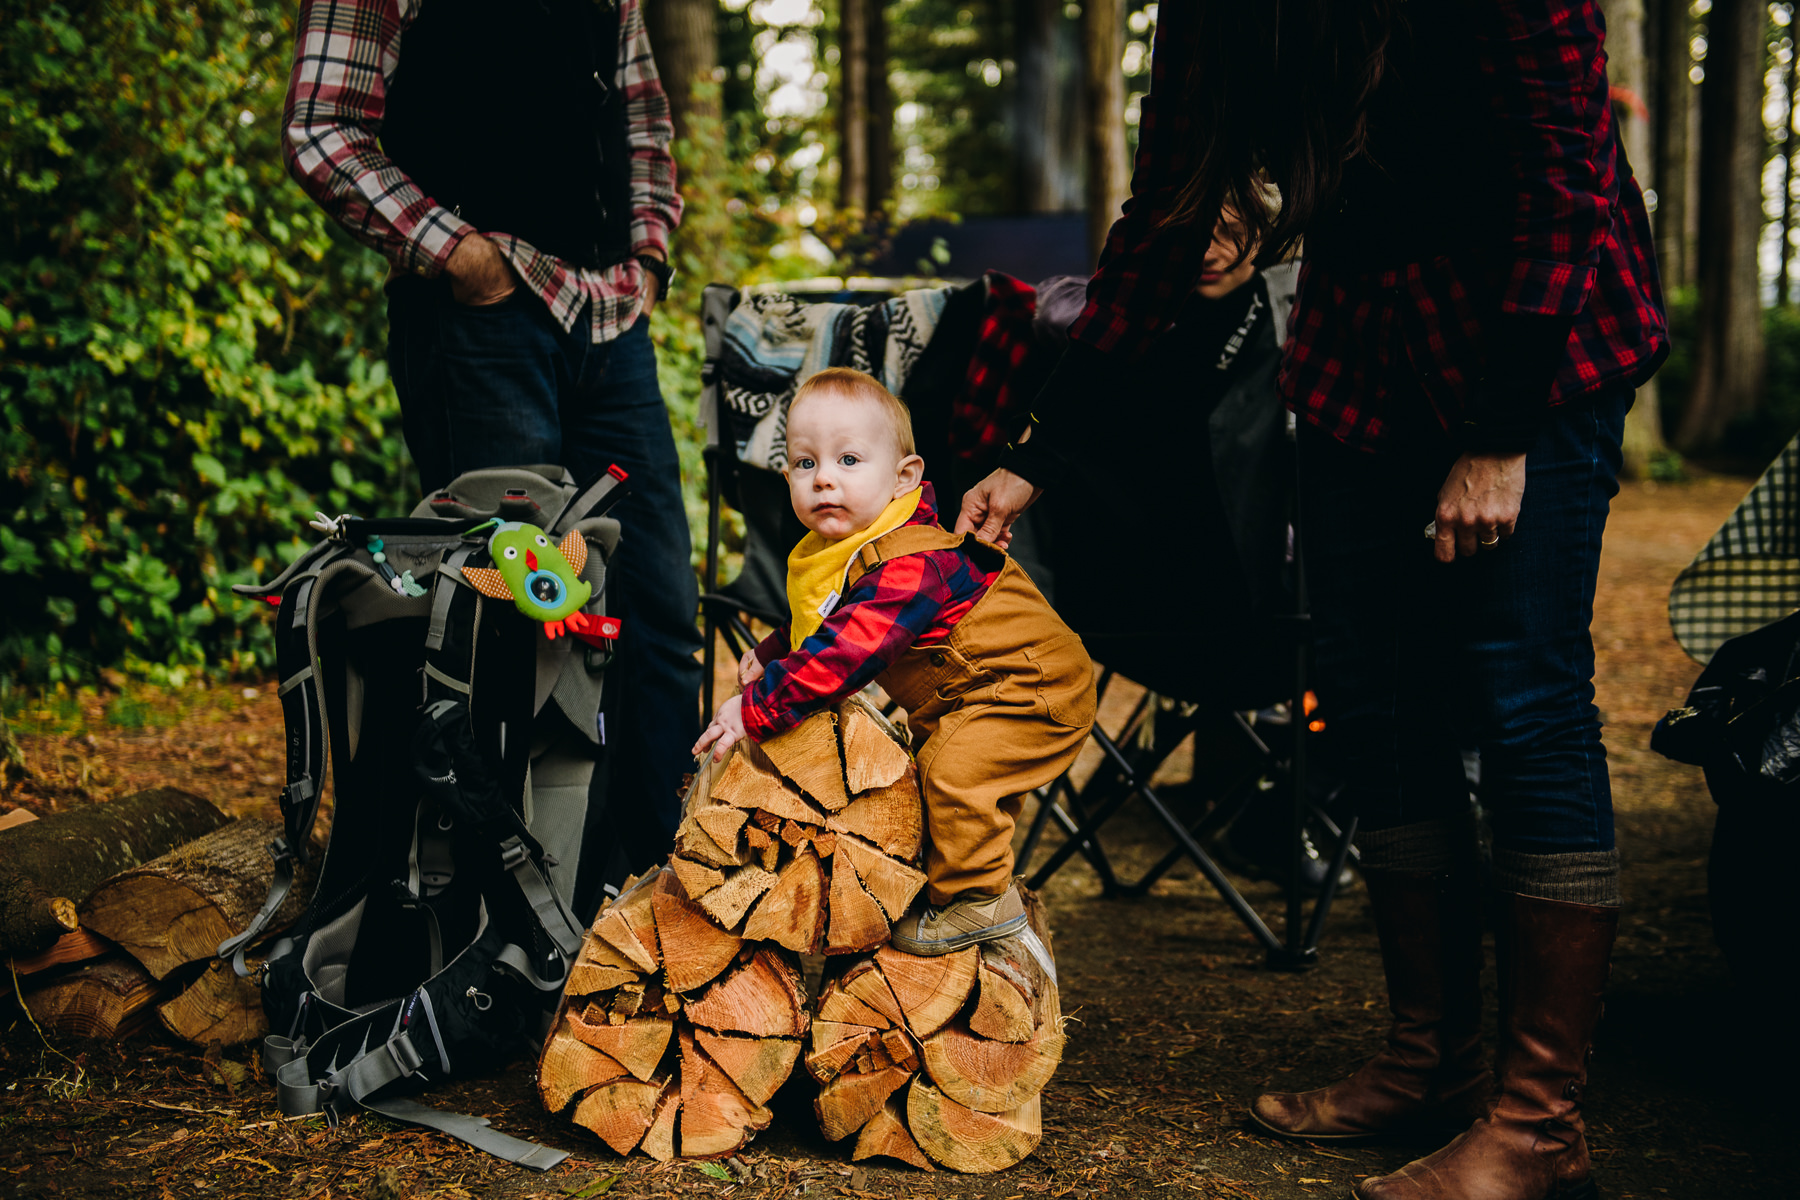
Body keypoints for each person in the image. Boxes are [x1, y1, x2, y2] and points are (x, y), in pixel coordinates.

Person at [956, 4, 1666, 1200]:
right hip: (1362, 342)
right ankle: (1426, 1061)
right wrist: (1042, 450)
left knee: (1521, 692)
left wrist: (1499, 439)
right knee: (1376, 696)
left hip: (1531, 336)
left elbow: (1562, 194)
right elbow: (1166, 214)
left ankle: (1539, 1124)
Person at [280, 0, 702, 868]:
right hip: (478, 324)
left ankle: (660, 889)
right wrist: (460, 256)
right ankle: (517, 917)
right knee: (509, 624)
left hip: (613, 319)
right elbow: (322, 128)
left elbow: (641, 113)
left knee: (657, 614)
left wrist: (650, 258)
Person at [694, 368, 1096, 955]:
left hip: (1029, 687)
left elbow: (845, 652)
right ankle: (952, 880)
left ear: (904, 477)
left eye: (849, 461)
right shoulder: (852, 551)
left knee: (954, 776)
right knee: (929, 777)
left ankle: (979, 902)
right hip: (972, 690)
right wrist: (774, 650)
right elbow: (837, 615)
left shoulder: (910, 566)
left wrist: (752, 709)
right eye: (805, 464)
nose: (824, 479)